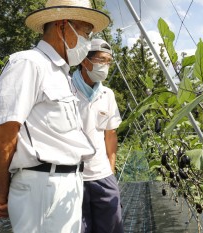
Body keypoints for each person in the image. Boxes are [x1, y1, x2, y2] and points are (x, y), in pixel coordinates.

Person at [0, 0, 110, 232]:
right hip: (44, 187)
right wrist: (3, 192)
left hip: (64, 185)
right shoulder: (28, 64)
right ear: (63, 25)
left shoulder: (60, 73)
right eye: (85, 32)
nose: (87, 40)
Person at [72, 38, 123, 233]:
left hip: (102, 174)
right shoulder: (66, 89)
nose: (106, 66)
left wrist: (110, 167)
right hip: (72, 176)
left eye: (109, 62)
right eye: (102, 60)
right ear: (85, 61)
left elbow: (110, 133)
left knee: (112, 225)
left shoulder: (107, 94)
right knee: (79, 228)